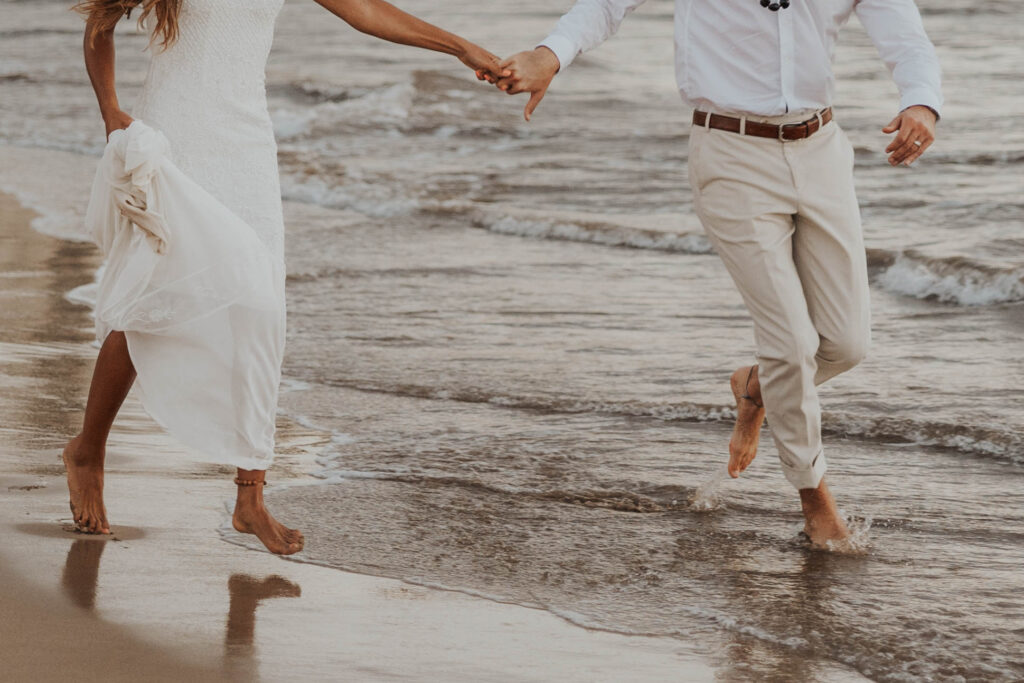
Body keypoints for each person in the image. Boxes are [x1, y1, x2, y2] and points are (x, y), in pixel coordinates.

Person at [484, 0, 941, 547]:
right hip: (731, 153)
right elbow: (607, 4)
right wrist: (549, 54)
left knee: (845, 345)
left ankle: (755, 386)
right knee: (792, 345)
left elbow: (905, 37)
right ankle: (816, 503)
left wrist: (921, 102)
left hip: (821, 149)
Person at [65, 0, 506, 554]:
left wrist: (462, 47)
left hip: (245, 142)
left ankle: (251, 496)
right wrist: (110, 111)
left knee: (260, 306)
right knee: (155, 301)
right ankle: (88, 451)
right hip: (176, 138)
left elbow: (366, 11)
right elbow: (101, 21)